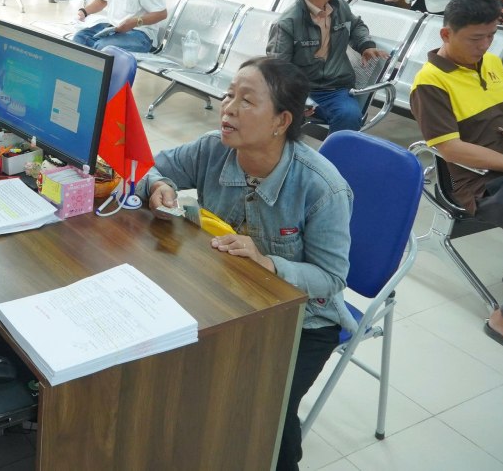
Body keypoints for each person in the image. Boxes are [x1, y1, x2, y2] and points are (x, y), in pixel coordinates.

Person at [140, 56, 354, 471]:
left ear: (281, 121)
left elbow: (331, 279)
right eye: (228, 94)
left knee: (264, 407)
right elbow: (152, 165)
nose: (228, 108)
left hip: (302, 323)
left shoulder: (323, 188)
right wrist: (160, 184)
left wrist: (267, 263)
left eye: (247, 101)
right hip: (221, 296)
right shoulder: (212, 149)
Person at [407, 0, 503, 351]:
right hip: (474, 182)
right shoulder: (430, 83)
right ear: (446, 35)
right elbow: (449, 148)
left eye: (491, 36)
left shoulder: (493, 63)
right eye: (475, 38)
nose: (484, 46)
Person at [267, 0, 389, 134]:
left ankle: (333, 159)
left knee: (349, 114)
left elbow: (356, 25)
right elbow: (277, 70)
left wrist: (365, 45)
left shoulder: (339, 6)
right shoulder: (287, 23)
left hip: (335, 89)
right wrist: (294, 100)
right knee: (283, 114)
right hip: (301, 89)